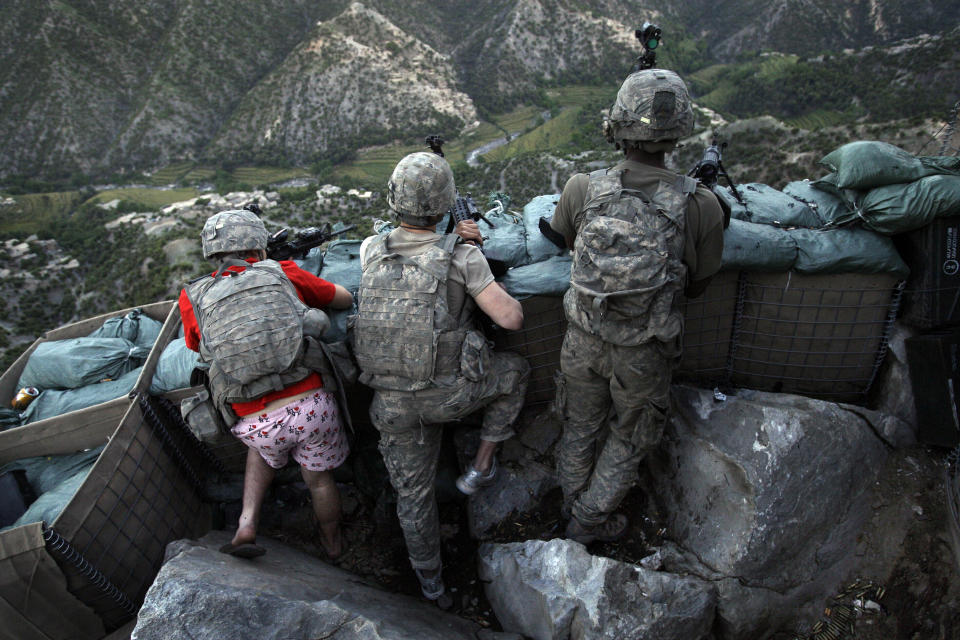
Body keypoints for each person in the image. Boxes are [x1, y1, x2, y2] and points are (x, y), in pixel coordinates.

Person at [550, 68, 725, 544]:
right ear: (678, 131)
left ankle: (571, 500)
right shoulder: (701, 205)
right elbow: (700, 284)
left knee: (580, 424)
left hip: (583, 337)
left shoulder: (582, 187)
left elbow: (565, 239)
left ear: (617, 126)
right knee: (631, 435)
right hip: (644, 350)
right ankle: (587, 521)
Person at [353, 151, 530, 606]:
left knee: (412, 495)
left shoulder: (371, 249)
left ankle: (430, 584)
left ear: (394, 201)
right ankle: (481, 466)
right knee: (515, 373)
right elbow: (510, 318)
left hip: (390, 405)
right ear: (446, 204)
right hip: (447, 396)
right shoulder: (462, 256)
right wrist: (466, 249)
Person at [179, 209, 354, 560]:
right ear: (258, 248)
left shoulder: (193, 297)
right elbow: (343, 298)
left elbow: (197, 345)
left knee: (260, 452)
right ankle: (333, 542)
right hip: (311, 406)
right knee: (319, 481)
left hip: (253, 420)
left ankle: (246, 524)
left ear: (211, 254)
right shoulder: (282, 272)